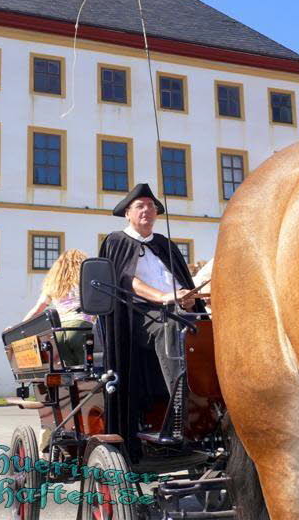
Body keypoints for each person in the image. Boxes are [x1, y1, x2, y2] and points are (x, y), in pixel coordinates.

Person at [99, 183, 204, 452]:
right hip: (137, 316)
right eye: (140, 206)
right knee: (171, 324)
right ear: (128, 213)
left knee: (204, 324)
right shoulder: (116, 241)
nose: (147, 210)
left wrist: (189, 298)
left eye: (151, 206)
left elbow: (181, 280)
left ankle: (215, 400)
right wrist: (164, 296)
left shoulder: (163, 244)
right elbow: (126, 281)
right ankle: (183, 406)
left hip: (175, 309)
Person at [22, 249, 95, 366]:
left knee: (67, 372)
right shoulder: (86, 280)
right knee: (86, 371)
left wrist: (21, 328)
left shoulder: (53, 284)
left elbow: (37, 309)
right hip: (81, 326)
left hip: (58, 331)